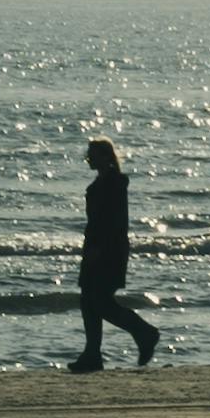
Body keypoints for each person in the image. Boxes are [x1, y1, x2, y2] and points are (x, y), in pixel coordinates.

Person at [70, 135, 159, 370]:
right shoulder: (100, 184)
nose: (88, 158)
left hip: (108, 250)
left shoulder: (114, 183)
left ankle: (144, 332)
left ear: (105, 157)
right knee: (89, 301)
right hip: (95, 248)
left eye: (93, 154)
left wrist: (100, 249)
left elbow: (112, 222)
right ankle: (92, 354)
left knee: (100, 301)